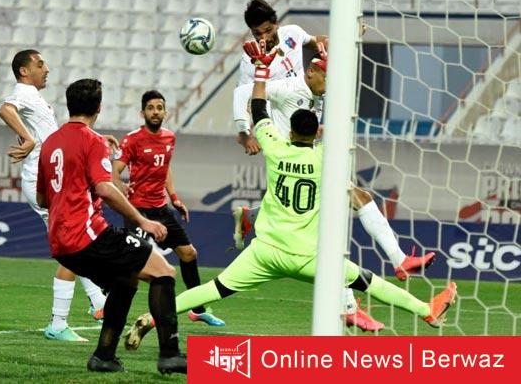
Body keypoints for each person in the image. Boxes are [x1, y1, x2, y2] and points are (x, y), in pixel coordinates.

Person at [124, 42, 457, 348]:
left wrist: (261, 69)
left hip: (266, 251)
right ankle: (426, 310)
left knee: (214, 289)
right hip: (308, 257)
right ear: (317, 133)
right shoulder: (326, 158)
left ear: (292, 131)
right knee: (368, 282)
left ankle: (151, 318)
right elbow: (340, 124)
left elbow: (258, 109)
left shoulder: (275, 148)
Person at [36, 78, 186, 374]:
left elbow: (42, 198)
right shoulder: (93, 141)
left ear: (69, 105)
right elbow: (105, 188)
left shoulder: (51, 142)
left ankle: (104, 356)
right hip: (88, 235)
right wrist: (143, 221)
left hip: (59, 243)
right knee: (164, 272)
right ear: (99, 108)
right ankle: (170, 354)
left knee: (126, 281)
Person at [0, 50, 107, 342]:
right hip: (41, 180)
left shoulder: (35, 96)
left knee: (76, 243)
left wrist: (93, 139)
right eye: (39, 64)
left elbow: (54, 138)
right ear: (24, 71)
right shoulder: (23, 92)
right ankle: (59, 323)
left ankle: (98, 302)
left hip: (47, 178)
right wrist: (28, 138)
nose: (46, 68)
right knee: (73, 245)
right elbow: (5, 110)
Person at [111, 90, 225, 327]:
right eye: (150, 108)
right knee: (132, 265)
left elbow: (165, 169)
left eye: (159, 108)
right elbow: (114, 170)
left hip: (161, 209)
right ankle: (107, 304)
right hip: (138, 211)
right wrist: (120, 185)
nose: (155, 112)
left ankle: (198, 309)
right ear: (142, 113)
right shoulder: (132, 139)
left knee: (189, 254)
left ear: (166, 112)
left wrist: (174, 197)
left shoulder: (169, 138)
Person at [234, 0, 328, 156]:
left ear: (277, 24)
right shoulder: (250, 60)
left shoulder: (292, 33)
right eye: (257, 33)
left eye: (268, 30)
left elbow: (315, 42)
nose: (264, 38)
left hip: (307, 111)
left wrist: (335, 40)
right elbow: (243, 98)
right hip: (282, 123)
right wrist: (245, 135)